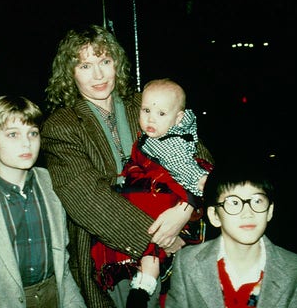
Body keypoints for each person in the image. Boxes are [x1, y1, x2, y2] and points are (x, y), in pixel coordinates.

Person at [40, 24, 215, 308]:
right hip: (115, 255)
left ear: (117, 64)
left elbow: (200, 156)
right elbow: (88, 199)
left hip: (182, 235)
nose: (98, 75)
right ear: (70, 73)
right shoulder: (62, 127)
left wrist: (185, 211)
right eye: (85, 65)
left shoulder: (145, 103)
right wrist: (161, 240)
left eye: (105, 62)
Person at [90, 78, 213, 307]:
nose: (150, 118)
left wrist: (194, 194)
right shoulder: (158, 133)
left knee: (153, 241)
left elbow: (189, 167)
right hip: (148, 196)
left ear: (178, 118)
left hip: (163, 197)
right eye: (146, 110)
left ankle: (144, 284)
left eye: (161, 114)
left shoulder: (169, 143)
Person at [164, 158, 297, 308]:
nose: (247, 213)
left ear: (269, 211)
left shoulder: (295, 269)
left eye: (257, 201)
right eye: (234, 203)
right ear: (214, 216)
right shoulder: (187, 261)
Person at [0, 95, 86, 308]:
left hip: (53, 295)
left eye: (33, 133)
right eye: (12, 134)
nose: (26, 143)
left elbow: (63, 262)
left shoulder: (52, 182)